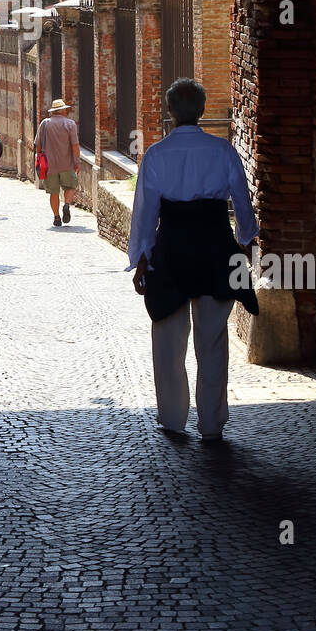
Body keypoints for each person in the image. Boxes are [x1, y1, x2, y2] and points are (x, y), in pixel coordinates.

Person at [128, 78, 260, 442]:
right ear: (202, 111)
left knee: (169, 340)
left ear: (170, 112)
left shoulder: (155, 155)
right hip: (216, 248)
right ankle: (212, 424)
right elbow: (242, 202)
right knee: (213, 340)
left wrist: (140, 259)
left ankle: (172, 418)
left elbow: (144, 213)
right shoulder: (222, 151)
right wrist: (246, 241)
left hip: (170, 251)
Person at [35, 98, 81, 226]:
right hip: (67, 164)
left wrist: (39, 157)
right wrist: (77, 161)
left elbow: (38, 145)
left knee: (53, 192)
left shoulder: (44, 124)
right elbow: (75, 145)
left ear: (53, 111)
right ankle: (66, 204)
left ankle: (56, 217)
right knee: (70, 186)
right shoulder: (70, 124)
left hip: (49, 166)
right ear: (63, 111)